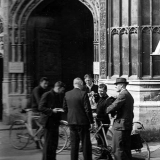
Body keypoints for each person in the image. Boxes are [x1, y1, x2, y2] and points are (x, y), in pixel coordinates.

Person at [63, 77, 94, 160]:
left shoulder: (67, 94)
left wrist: (70, 116)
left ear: (74, 84)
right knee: (85, 144)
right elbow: (87, 109)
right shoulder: (83, 93)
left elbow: (64, 108)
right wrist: (91, 122)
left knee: (74, 145)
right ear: (81, 84)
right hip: (83, 123)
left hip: (72, 122)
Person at [106, 78, 134, 160]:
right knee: (126, 149)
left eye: (117, 85)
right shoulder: (128, 94)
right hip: (126, 125)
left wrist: (107, 109)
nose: (116, 87)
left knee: (117, 149)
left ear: (122, 85)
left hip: (121, 126)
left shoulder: (123, 94)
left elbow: (114, 106)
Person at [39, 81, 66, 160]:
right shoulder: (47, 95)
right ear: (58, 88)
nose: (62, 92)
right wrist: (51, 111)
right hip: (48, 123)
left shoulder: (58, 95)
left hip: (55, 123)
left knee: (54, 144)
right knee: (48, 144)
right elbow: (41, 107)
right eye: (62, 90)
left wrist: (59, 119)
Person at [28, 77, 49, 148]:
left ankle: (38, 142)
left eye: (47, 84)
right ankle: (37, 140)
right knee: (41, 125)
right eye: (44, 83)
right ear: (40, 83)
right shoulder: (37, 89)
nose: (46, 85)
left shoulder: (44, 90)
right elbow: (39, 101)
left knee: (39, 127)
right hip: (36, 110)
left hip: (40, 110)